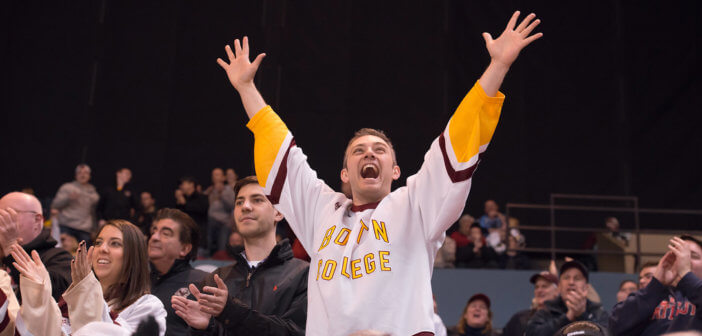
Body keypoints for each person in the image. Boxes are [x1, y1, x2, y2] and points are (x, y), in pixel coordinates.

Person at [217, 10, 541, 335]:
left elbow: (457, 142)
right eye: (358, 150)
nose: (369, 152)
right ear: (345, 174)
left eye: (379, 150)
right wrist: (246, 88)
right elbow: (280, 152)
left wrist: (497, 67)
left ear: (396, 170)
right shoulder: (320, 212)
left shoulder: (415, 207)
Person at [172, 176, 309, 335]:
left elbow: (298, 333)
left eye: (257, 200)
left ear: (278, 212)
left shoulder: (303, 275)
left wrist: (231, 312)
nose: (245, 206)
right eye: (239, 202)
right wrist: (206, 329)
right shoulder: (214, 280)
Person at [9, 219, 167, 335]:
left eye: (115, 244)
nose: (102, 249)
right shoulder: (70, 299)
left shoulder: (149, 306)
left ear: (134, 257)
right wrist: (39, 295)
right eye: (98, 242)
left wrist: (88, 291)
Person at [609, 235, 702, 335]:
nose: (685, 261)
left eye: (694, 256)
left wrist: (687, 277)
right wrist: (656, 285)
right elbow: (615, 325)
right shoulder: (651, 294)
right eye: (679, 256)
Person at [0, 192, 72, 302]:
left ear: (37, 220)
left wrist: (11, 246)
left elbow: (50, 296)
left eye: (8, 214)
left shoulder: (59, 258)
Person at [149, 208, 208, 336]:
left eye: (165, 233)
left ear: (184, 248)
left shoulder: (202, 284)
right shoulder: (136, 282)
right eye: (154, 231)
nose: (154, 237)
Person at [525, 260, 610, 336]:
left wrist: (582, 315)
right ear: (559, 286)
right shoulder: (546, 312)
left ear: (586, 288)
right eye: (566, 278)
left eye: (577, 278)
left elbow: (607, 333)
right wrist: (567, 317)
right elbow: (531, 333)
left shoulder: (599, 312)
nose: (571, 282)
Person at [51, 164, 100, 244]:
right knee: (64, 252)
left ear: (89, 176)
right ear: (76, 175)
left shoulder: (93, 192)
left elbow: (94, 212)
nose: (83, 175)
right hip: (67, 226)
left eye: (85, 173)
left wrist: (94, 229)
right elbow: (55, 205)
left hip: (84, 228)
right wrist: (68, 198)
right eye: (80, 172)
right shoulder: (67, 187)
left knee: (84, 253)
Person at [503, 271, 559, 336]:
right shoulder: (519, 318)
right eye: (536, 287)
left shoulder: (562, 318)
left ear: (557, 291)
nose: (539, 290)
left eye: (544, 286)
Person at [204, 168, 236, 255]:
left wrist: (221, 193)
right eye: (213, 175)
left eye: (218, 175)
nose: (215, 177)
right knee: (209, 247)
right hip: (211, 221)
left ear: (223, 177)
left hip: (224, 222)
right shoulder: (210, 190)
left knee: (222, 248)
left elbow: (231, 205)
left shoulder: (229, 189)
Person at [175, 176, 209, 256]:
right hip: (184, 239)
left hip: (198, 240)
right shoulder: (182, 199)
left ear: (191, 184)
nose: (181, 187)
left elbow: (201, 210)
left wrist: (184, 203)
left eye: (183, 184)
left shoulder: (202, 198)